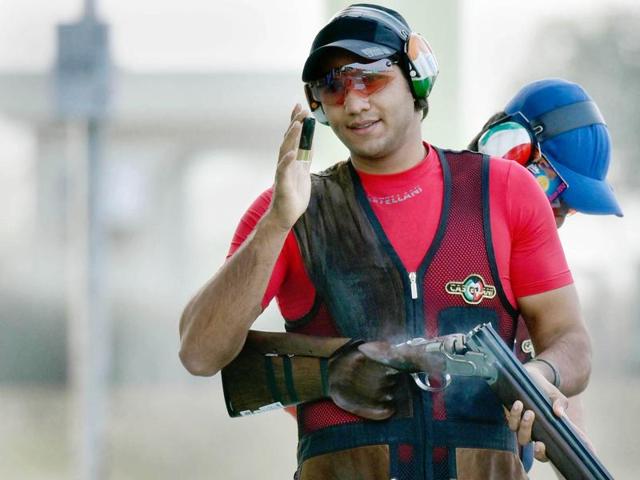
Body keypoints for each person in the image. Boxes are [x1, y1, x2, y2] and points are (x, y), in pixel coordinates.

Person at [179, 4, 591, 479]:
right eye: (332, 86)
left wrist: (539, 377)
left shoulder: (506, 192)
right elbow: (198, 352)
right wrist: (276, 223)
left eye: (370, 78)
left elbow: (570, 339)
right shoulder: (290, 211)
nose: (353, 103)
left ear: (416, 77)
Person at [468, 77, 623, 469]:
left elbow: (565, 379)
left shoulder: (534, 264)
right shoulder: (443, 224)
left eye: (572, 207)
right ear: (508, 148)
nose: (564, 213)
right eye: (560, 193)